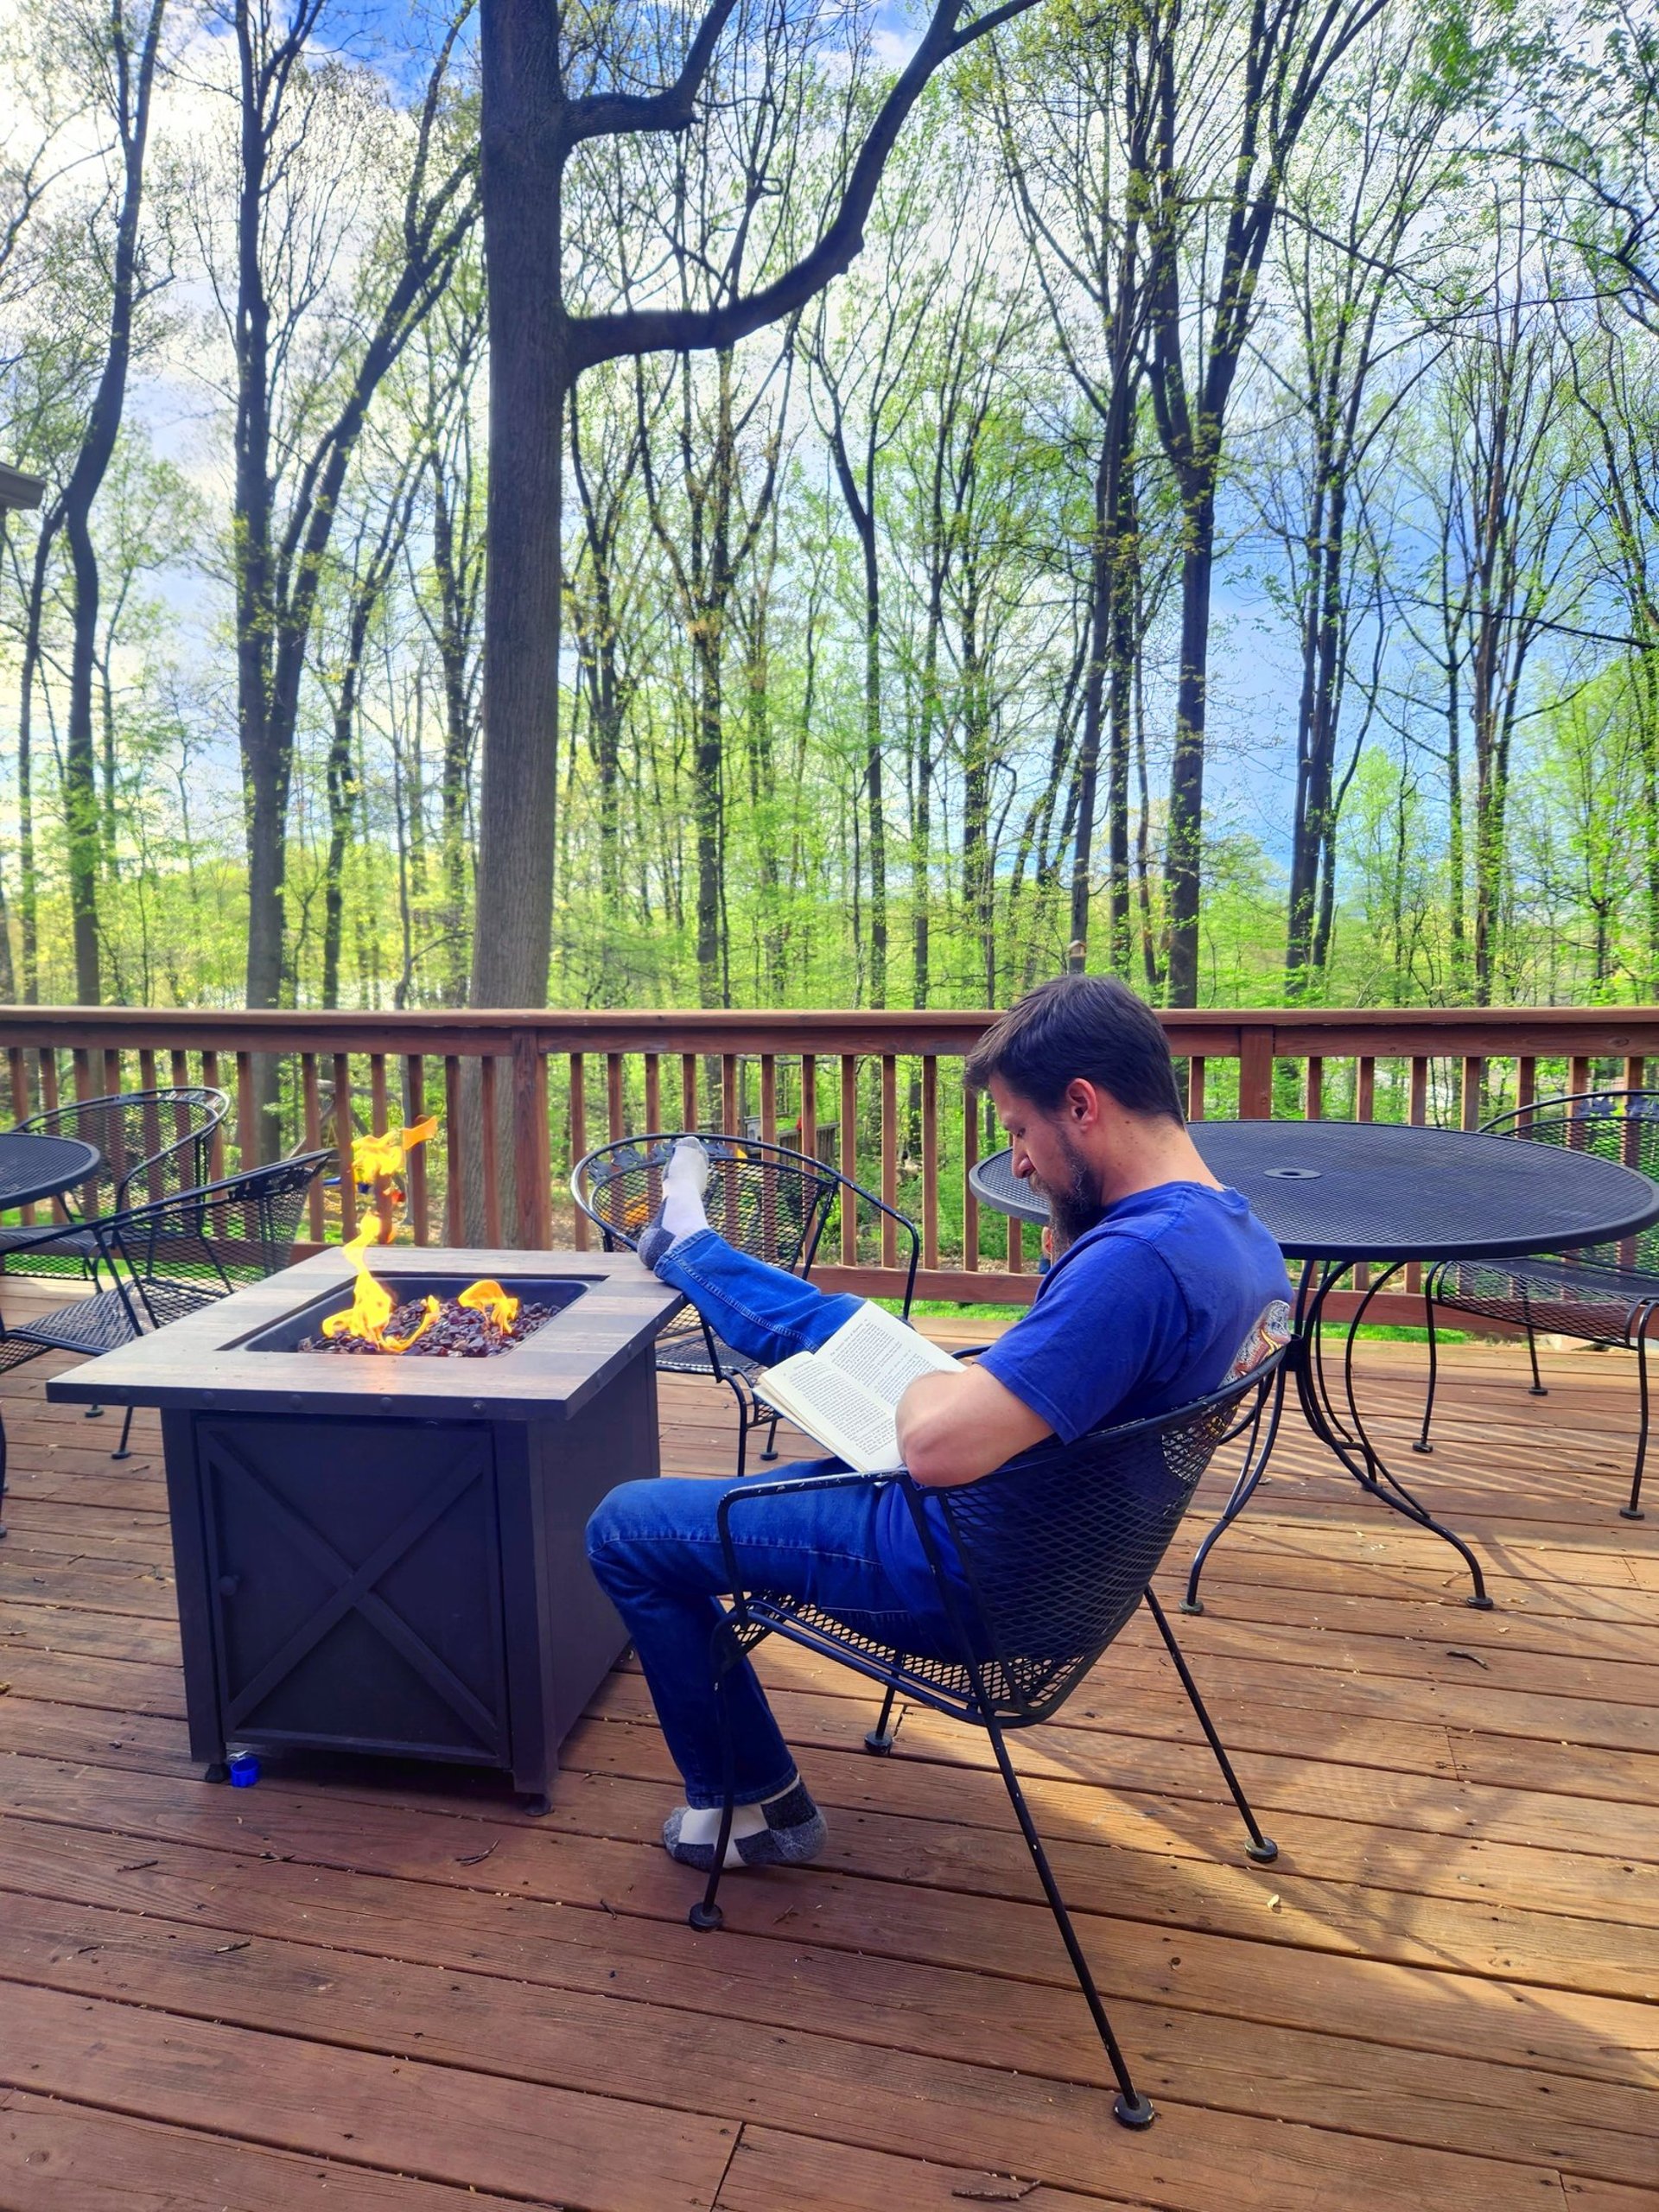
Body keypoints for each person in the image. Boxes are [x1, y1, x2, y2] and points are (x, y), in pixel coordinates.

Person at [585, 974, 1293, 1875]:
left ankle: (749, 1803)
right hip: (1063, 1545)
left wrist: (935, 1392)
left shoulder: (1137, 1262)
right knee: (841, 1327)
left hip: (969, 1570)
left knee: (626, 1527)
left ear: (1081, 1103)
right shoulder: (1238, 1239)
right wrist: (1052, 1279)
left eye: (1018, 1130)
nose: (1022, 1161)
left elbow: (935, 1445)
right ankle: (690, 1245)